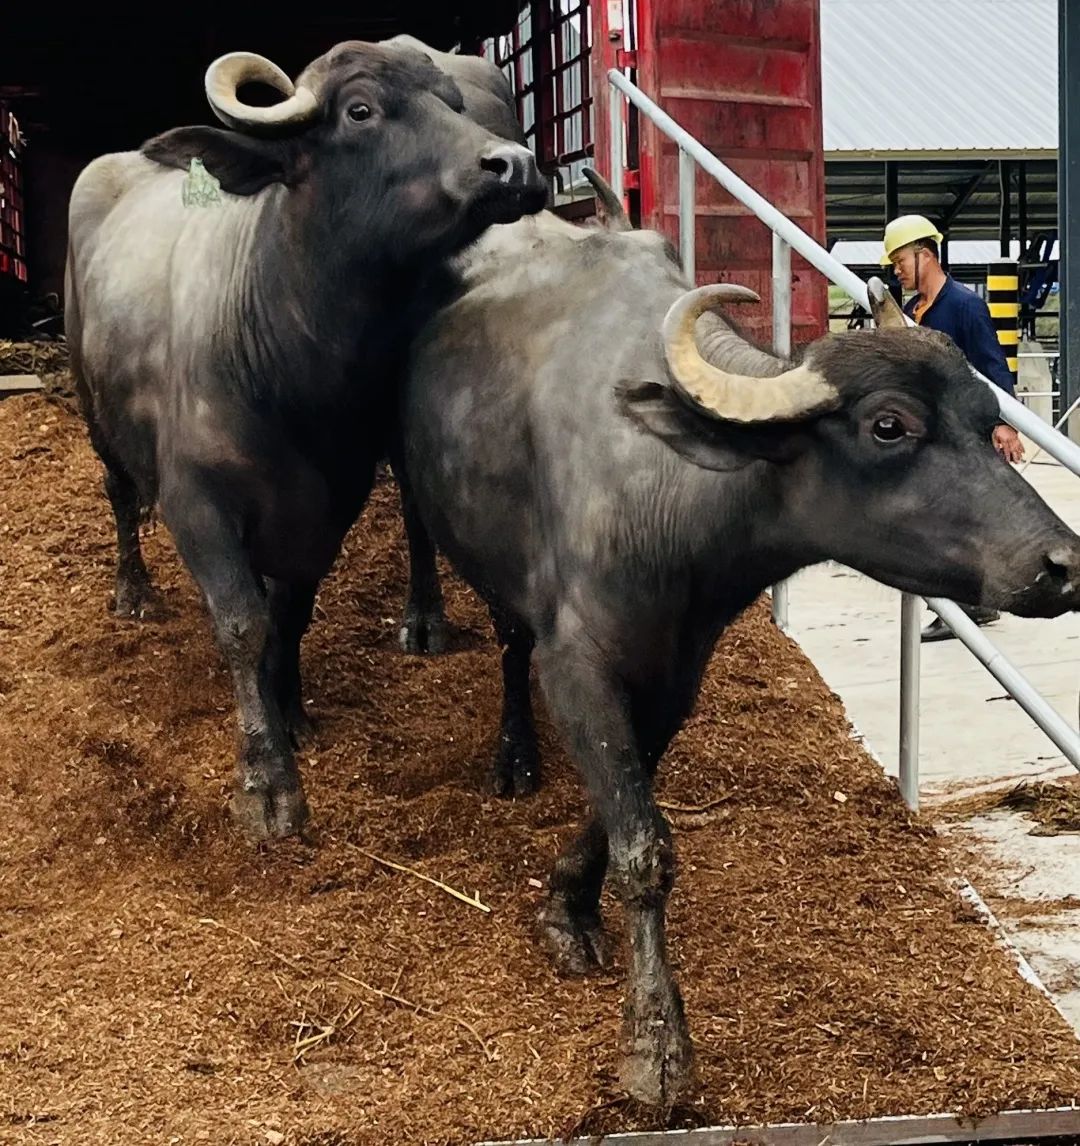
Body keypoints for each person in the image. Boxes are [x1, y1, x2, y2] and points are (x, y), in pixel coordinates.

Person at [880, 214, 1025, 642]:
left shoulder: (964, 306)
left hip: (962, 433)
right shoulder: (909, 312)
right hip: (926, 435)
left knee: (951, 522)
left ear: (925, 255)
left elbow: (992, 366)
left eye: (901, 260)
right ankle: (970, 604)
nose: (897, 270)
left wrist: (1004, 424)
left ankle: (961, 607)